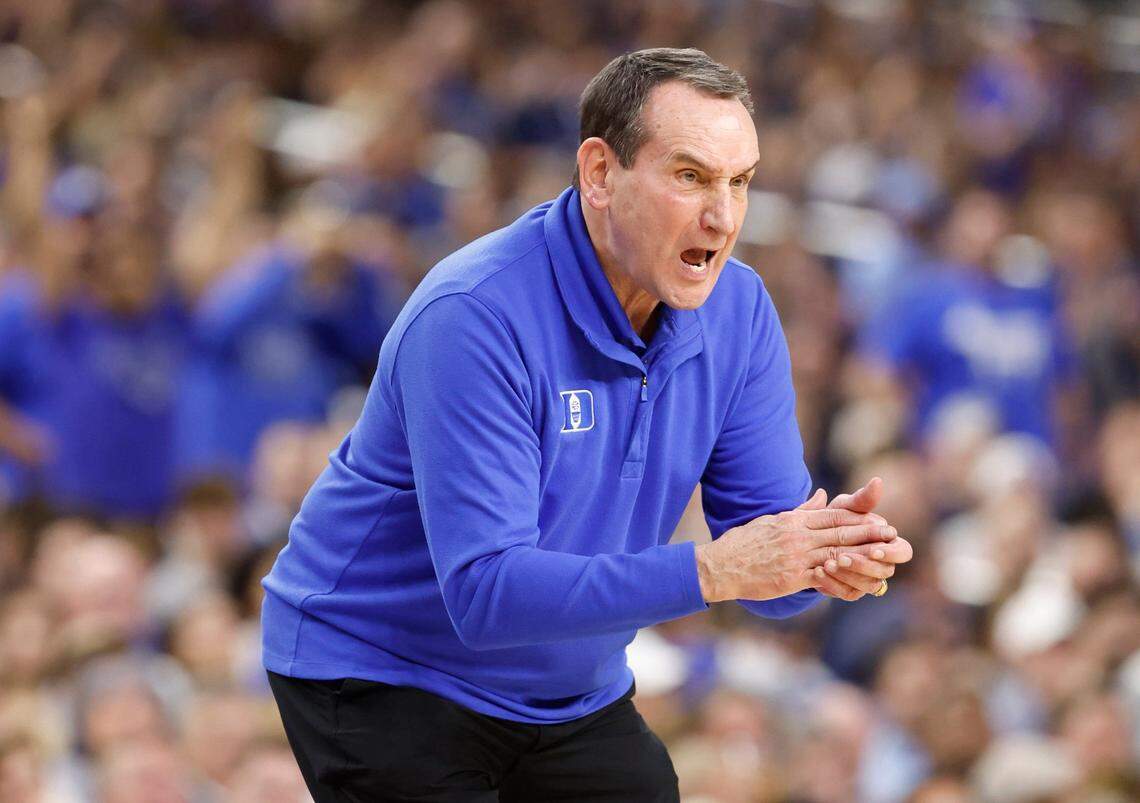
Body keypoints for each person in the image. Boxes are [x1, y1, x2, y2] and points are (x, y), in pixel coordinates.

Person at [261, 48, 913, 802]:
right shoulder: (474, 315)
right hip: (382, 666)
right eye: (691, 176)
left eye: (739, 182)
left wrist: (816, 560)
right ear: (600, 173)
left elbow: (764, 573)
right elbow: (487, 593)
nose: (723, 217)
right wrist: (713, 570)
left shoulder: (739, 312)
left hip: (566, 685)